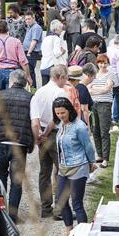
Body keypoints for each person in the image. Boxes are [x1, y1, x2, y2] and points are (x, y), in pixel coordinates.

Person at [0, 69, 34, 222]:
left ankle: (1, 211)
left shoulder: (0, 95)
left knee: (0, 177)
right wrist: (32, 142)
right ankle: (13, 215)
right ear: (25, 83)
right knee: (16, 180)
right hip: (20, 143)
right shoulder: (30, 98)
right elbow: (34, 122)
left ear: (11, 81)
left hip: (2, 141)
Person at [52, 97, 96, 236]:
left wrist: (91, 162)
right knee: (61, 200)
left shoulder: (79, 126)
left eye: (62, 113)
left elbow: (88, 146)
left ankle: (82, 235)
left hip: (79, 166)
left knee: (77, 202)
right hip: (63, 167)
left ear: (69, 110)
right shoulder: (61, 125)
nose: (60, 116)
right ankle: (69, 230)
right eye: (57, 113)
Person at [30, 65, 68, 218]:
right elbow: (57, 116)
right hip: (55, 133)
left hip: (41, 134)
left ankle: (46, 208)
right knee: (62, 171)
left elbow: (34, 121)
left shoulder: (39, 92)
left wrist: (37, 136)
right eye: (65, 78)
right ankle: (59, 209)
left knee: (44, 172)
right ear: (60, 77)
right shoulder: (60, 92)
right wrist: (45, 133)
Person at [0, 21, 32, 92]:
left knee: (0, 98)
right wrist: (28, 76)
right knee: (12, 97)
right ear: (8, 29)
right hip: (13, 72)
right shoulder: (16, 42)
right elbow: (23, 61)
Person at [89, 54, 115, 169]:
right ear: (97, 63)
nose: (103, 65)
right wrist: (99, 90)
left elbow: (107, 88)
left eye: (105, 63)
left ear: (108, 63)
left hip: (105, 104)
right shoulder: (94, 75)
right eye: (100, 63)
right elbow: (89, 89)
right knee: (95, 130)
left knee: (104, 131)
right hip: (94, 104)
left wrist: (95, 90)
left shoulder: (110, 74)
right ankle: (99, 154)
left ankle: (105, 158)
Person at [67, 64, 96, 130]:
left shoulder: (69, 87)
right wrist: (87, 127)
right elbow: (84, 110)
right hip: (79, 121)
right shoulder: (82, 88)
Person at [40, 20, 67, 86]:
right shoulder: (56, 39)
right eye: (61, 28)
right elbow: (57, 53)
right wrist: (63, 51)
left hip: (43, 65)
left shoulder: (46, 38)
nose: (61, 31)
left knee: (45, 87)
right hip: (52, 66)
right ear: (57, 29)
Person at [107, 35, 119, 123]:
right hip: (116, 79)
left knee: (108, 98)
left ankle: (109, 117)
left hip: (107, 77)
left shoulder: (108, 50)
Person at [23, 10, 43, 88]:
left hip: (32, 52)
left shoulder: (36, 27)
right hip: (27, 52)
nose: (27, 21)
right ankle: (31, 89)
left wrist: (29, 52)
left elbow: (34, 41)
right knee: (27, 72)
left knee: (30, 72)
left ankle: (33, 90)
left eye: (29, 19)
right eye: (26, 19)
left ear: (33, 18)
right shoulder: (29, 27)